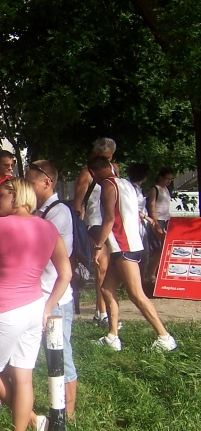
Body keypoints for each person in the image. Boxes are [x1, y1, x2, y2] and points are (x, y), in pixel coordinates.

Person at [0, 178, 71, 431]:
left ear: (16, 197)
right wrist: (48, 307)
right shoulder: (49, 228)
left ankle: (32, 420)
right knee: (23, 377)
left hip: (4, 308)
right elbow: (65, 273)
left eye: (1, 196)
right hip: (35, 307)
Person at [86, 156, 177, 352]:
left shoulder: (107, 186)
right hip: (130, 243)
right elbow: (133, 213)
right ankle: (112, 336)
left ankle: (165, 337)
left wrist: (98, 246)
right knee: (107, 288)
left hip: (123, 246)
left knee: (136, 294)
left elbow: (109, 219)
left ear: (92, 173)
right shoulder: (126, 183)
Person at [24, 161, 79, 419]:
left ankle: (68, 412)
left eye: (30, 183)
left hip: (55, 298)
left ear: (47, 182)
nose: (27, 188)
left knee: (60, 354)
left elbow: (38, 249)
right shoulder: (39, 211)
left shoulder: (58, 212)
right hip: (39, 294)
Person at [73, 138, 119, 327]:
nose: (103, 162)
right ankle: (102, 313)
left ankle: (102, 311)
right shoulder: (87, 173)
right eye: (100, 157)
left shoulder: (115, 169)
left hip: (111, 224)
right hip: (94, 223)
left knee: (109, 269)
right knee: (102, 267)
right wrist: (78, 227)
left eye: (107, 158)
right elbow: (78, 202)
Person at [145, 167, 174, 282]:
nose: (168, 181)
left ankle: (156, 272)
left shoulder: (167, 189)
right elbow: (152, 206)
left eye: (170, 179)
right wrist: (155, 223)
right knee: (158, 249)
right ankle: (150, 274)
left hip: (166, 220)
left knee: (165, 248)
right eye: (167, 178)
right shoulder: (155, 189)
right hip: (157, 220)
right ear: (160, 177)